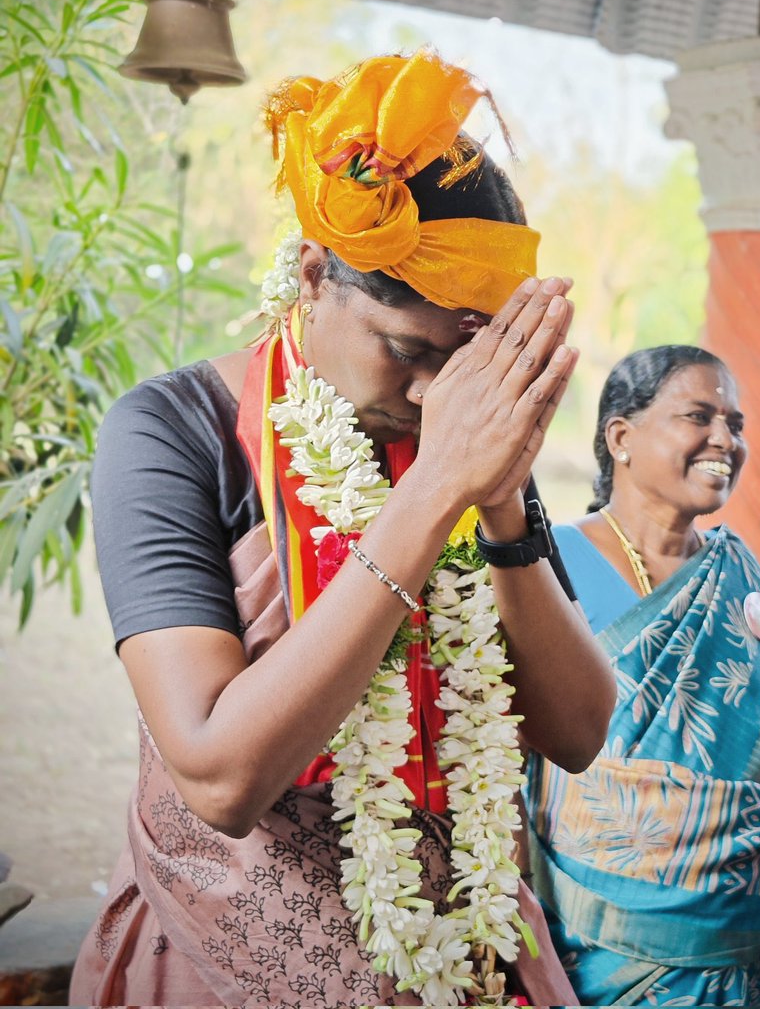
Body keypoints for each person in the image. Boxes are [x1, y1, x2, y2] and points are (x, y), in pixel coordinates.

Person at [69, 51, 616, 1008]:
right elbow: (220, 778)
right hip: (224, 956)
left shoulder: (467, 443)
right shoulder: (170, 429)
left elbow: (573, 733)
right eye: (406, 352)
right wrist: (430, 494)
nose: (429, 394)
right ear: (315, 275)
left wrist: (496, 505)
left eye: (462, 363)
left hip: (470, 954)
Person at [525, 345, 760, 1007]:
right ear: (619, 437)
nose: (723, 440)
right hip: (585, 932)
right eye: (696, 416)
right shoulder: (547, 564)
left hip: (724, 938)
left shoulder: (737, 577)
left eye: (734, 424)